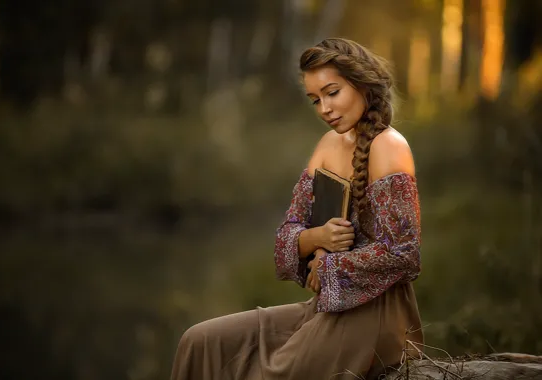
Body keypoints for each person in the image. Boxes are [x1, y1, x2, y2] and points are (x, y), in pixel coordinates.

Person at [170, 37, 423, 380]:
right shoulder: (328, 145)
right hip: (323, 308)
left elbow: (402, 254)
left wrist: (330, 264)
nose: (324, 109)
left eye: (332, 92)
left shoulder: (389, 146)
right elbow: (288, 231)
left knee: (269, 374)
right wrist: (315, 238)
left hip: (377, 316)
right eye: (315, 100)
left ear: (362, 83)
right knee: (199, 340)